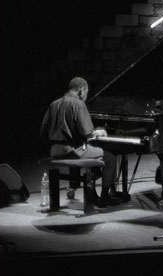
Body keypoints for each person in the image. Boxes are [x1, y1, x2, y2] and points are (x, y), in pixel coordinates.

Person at [39, 77, 120, 208]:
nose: (85, 97)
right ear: (81, 90)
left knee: (95, 157)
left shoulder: (53, 104)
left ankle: (92, 194)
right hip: (74, 151)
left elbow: (43, 132)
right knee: (110, 158)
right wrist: (100, 132)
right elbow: (87, 132)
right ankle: (105, 198)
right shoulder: (78, 104)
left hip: (54, 151)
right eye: (86, 93)